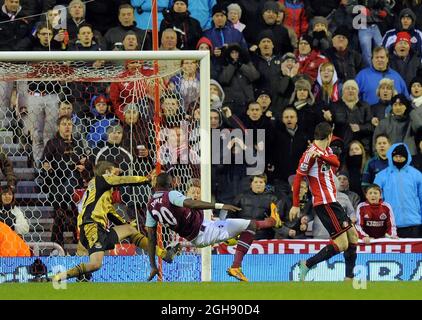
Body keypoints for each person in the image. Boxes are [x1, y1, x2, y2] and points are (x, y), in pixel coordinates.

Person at [52, 161, 181, 282]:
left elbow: (111, 213)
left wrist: (126, 224)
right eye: (114, 172)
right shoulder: (101, 179)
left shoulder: (101, 192)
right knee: (95, 264)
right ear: (107, 172)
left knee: (130, 230)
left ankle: (165, 255)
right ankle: (59, 277)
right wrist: (146, 179)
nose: (116, 175)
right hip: (92, 226)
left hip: (99, 229)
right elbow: (122, 180)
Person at [146, 172, 282, 282]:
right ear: (171, 184)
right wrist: (219, 205)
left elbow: (151, 238)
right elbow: (191, 204)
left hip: (199, 232)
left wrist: (153, 266)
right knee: (250, 225)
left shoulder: (150, 206)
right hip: (204, 231)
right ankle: (236, 266)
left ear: (156, 184)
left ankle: (268, 223)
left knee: (245, 227)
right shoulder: (171, 194)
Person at [289, 122, 359, 281]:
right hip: (324, 203)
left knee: (353, 236)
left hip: (332, 201)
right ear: (329, 136)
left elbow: (336, 163)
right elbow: (298, 178)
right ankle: (307, 264)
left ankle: (349, 278)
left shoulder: (325, 150)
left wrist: (320, 156)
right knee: (342, 244)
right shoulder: (308, 154)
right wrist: (295, 204)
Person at [374, 143, 422, 238]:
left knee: (414, 253)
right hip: (390, 225)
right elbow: (376, 200)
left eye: (401, 156)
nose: (399, 159)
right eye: (396, 156)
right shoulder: (381, 176)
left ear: (407, 157)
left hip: (414, 223)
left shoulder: (416, 175)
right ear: (392, 157)